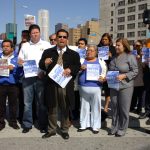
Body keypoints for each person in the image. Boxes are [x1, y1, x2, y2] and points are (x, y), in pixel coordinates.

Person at [39, 29, 81, 139]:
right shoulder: (48, 52)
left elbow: (77, 66)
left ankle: (64, 129)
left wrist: (70, 70)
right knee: (51, 107)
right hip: (51, 85)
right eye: (60, 37)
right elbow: (41, 65)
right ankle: (51, 130)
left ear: (67, 39)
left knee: (65, 107)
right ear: (56, 38)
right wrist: (45, 63)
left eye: (64, 37)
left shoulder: (74, 54)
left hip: (65, 85)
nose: (62, 39)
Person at [18, 24, 51, 133]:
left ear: (40, 33)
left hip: (41, 77)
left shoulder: (46, 45)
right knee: (27, 102)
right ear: (30, 34)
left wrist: (44, 71)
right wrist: (20, 62)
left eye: (36, 32)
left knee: (41, 103)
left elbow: (50, 61)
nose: (35, 34)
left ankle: (43, 124)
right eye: (33, 33)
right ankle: (27, 124)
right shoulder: (25, 45)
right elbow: (19, 60)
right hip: (27, 78)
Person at [107, 38, 138, 137]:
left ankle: (122, 128)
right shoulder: (113, 58)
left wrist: (124, 76)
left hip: (126, 86)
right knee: (114, 108)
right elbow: (109, 70)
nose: (116, 46)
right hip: (113, 86)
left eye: (118, 45)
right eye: (116, 45)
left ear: (124, 46)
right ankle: (114, 126)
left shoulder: (130, 56)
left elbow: (135, 71)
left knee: (123, 109)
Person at [77, 45, 107, 134]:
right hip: (83, 87)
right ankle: (83, 125)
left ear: (96, 52)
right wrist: (80, 68)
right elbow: (76, 71)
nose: (89, 52)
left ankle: (95, 126)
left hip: (96, 87)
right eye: (88, 50)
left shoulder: (101, 61)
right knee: (84, 106)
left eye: (91, 50)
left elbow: (104, 73)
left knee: (96, 107)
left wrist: (103, 78)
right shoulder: (82, 60)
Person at [0, 39, 23, 131]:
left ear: (12, 48)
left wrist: (14, 69)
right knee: (0, 105)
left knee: (13, 105)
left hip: (13, 85)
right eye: (4, 46)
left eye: (7, 46)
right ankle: (1, 123)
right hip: (1, 84)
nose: (5, 48)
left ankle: (13, 122)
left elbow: (20, 74)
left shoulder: (17, 58)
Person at [97, 33, 116, 115]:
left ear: (109, 40)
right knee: (99, 89)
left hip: (110, 72)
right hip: (100, 71)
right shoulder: (98, 48)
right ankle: (97, 107)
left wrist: (111, 56)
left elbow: (116, 61)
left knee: (108, 91)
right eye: (103, 39)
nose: (104, 41)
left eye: (106, 39)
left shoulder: (113, 48)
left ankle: (106, 107)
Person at [17, 30, 30, 124]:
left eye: (26, 35)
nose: (24, 37)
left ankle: (33, 116)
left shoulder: (30, 46)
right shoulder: (18, 46)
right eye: (23, 35)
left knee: (29, 99)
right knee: (21, 99)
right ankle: (21, 116)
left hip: (29, 75)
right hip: (20, 75)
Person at [73, 38, 87, 120]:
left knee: (85, 97)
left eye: (82, 43)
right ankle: (76, 113)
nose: (80, 45)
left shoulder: (89, 53)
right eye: (79, 43)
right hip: (76, 77)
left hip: (85, 78)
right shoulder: (75, 53)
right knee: (76, 95)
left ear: (85, 45)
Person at [130, 40, 144, 114]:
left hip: (141, 76)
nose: (135, 47)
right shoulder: (131, 54)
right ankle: (132, 106)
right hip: (133, 76)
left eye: (137, 46)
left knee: (140, 95)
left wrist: (140, 58)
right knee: (133, 93)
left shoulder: (144, 54)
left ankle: (139, 109)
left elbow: (145, 66)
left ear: (141, 46)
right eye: (134, 45)